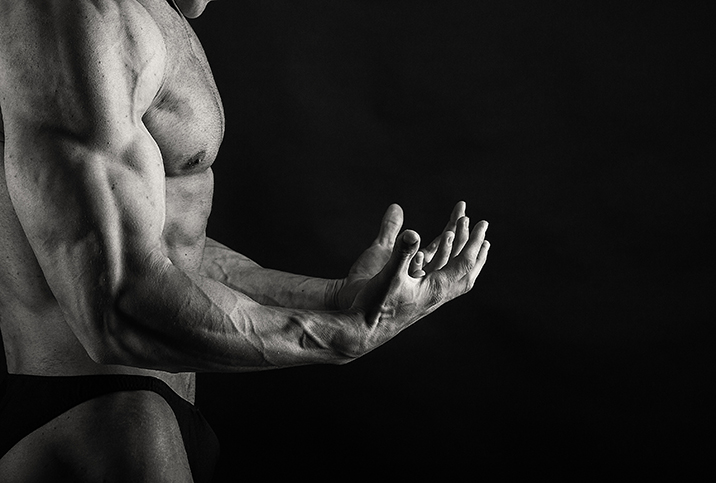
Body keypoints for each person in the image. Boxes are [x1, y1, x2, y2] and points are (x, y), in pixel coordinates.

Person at [0, 0, 490, 481]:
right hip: (98, 419)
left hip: (158, 410)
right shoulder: (76, 16)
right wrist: (338, 338)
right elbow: (115, 304)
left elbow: (167, 252)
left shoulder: (152, 14)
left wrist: (335, 301)